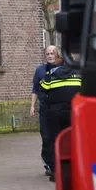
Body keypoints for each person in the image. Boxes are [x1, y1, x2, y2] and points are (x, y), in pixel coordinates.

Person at [40, 47, 82, 183]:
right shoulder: (78, 74)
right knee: (73, 140)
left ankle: (56, 171)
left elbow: (43, 88)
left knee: (54, 141)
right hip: (72, 112)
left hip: (54, 113)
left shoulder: (52, 74)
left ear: (60, 59)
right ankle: (74, 169)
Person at [31, 45, 57, 176]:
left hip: (57, 108)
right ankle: (47, 161)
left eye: (52, 53)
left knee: (56, 136)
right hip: (44, 109)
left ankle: (55, 164)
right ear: (45, 56)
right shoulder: (40, 71)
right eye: (48, 54)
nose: (50, 56)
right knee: (46, 136)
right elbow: (35, 89)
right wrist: (32, 106)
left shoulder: (62, 70)